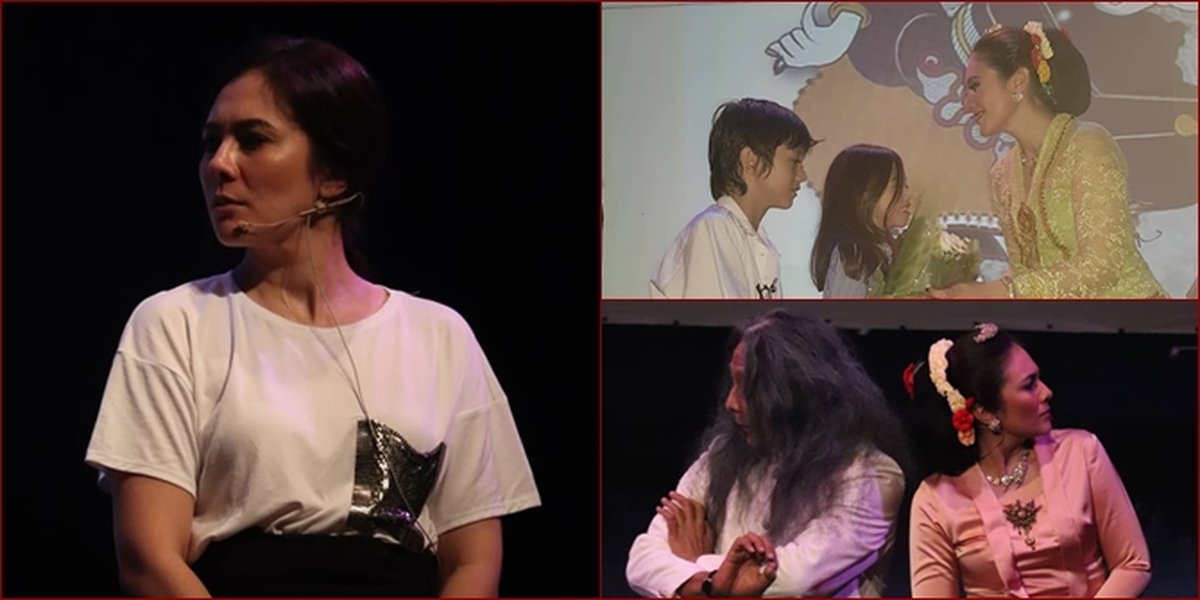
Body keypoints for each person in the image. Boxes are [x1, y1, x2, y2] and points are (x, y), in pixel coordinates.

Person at [84, 36, 540, 597]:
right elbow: (150, 561)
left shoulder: (440, 336)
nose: (219, 165)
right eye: (210, 143)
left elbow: (472, 564)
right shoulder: (175, 324)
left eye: (252, 140)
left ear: (335, 174)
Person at [625, 309, 908, 597]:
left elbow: (795, 582)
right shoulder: (723, 453)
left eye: (748, 387)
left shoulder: (869, 477)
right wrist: (710, 584)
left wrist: (694, 566)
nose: (730, 402)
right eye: (733, 382)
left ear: (797, 393)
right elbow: (641, 560)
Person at [905, 323, 1151, 596]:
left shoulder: (1080, 452)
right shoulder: (936, 499)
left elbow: (1132, 564)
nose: (1047, 392)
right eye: (1030, 385)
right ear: (985, 412)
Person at [930, 21, 1166, 298]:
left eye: (975, 86)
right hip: (1066, 327)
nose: (967, 103)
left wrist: (1003, 292)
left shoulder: (1086, 144)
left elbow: (1103, 265)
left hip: (1137, 325)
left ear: (1018, 81)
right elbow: (1025, 271)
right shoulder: (1002, 173)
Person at [650, 98, 817, 299]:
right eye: (794, 162)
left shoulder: (758, 242)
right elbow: (719, 324)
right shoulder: (713, 228)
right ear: (750, 161)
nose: (802, 175)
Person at [810, 143, 913, 298]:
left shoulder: (885, 247)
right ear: (864, 193)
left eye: (905, 185)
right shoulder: (854, 254)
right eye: (896, 186)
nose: (907, 195)